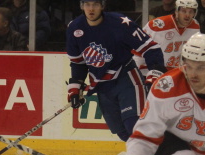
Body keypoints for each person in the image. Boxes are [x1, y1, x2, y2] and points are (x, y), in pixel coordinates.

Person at [66, 0, 166, 142]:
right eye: (87, 4)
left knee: (134, 127)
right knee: (123, 133)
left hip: (126, 78)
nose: (91, 9)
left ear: (102, 6)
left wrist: (155, 71)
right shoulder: (74, 28)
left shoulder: (119, 24)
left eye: (95, 4)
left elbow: (151, 48)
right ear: (82, 6)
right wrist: (76, 86)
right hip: (102, 86)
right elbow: (78, 62)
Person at [134, 0, 200, 74]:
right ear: (176, 11)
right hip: (152, 72)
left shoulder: (195, 26)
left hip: (178, 72)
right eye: (184, 11)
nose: (187, 15)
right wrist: (138, 73)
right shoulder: (156, 26)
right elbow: (137, 50)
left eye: (191, 12)